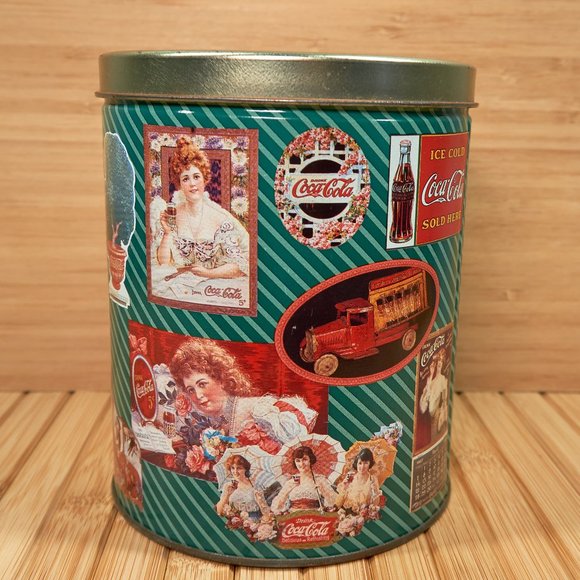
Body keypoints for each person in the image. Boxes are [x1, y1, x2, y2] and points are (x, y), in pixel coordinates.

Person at [169, 338, 318, 447]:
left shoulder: (259, 410)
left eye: (202, 384)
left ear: (221, 379)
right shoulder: (206, 423)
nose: (198, 395)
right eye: (191, 390)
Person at [154, 136, 249, 279]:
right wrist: (167, 233)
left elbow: (238, 267)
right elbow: (163, 262)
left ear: (205, 179)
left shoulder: (220, 218)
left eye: (196, 177)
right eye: (185, 179)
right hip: (178, 284)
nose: (192, 184)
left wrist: (209, 273)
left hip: (213, 284)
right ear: (179, 184)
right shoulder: (172, 216)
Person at [271, 446, 337, 514]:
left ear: (310, 460)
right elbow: (276, 507)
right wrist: (287, 490)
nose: (301, 464)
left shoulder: (319, 480)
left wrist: (323, 490)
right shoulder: (291, 482)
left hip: (314, 516)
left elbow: (335, 503)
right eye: (298, 461)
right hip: (294, 517)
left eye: (305, 459)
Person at [215, 455, 270, 522]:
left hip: (253, 521)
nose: (235, 472)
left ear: (245, 469)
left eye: (239, 468)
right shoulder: (228, 486)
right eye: (232, 468)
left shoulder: (254, 486)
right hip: (235, 521)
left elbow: (265, 512)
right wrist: (227, 495)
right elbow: (219, 512)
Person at [335, 448, 381, 514]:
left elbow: (375, 504)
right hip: (346, 512)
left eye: (366, 463)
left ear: (370, 464)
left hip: (363, 515)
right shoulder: (350, 476)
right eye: (360, 463)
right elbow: (341, 497)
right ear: (356, 463)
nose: (362, 466)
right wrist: (335, 507)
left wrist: (375, 492)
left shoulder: (373, 479)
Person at [419, 352, 449, 439]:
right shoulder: (431, 381)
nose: (439, 364)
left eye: (441, 362)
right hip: (429, 417)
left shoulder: (443, 379)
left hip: (437, 415)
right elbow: (424, 404)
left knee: (436, 435)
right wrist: (431, 374)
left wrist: (442, 412)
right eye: (438, 362)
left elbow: (444, 399)